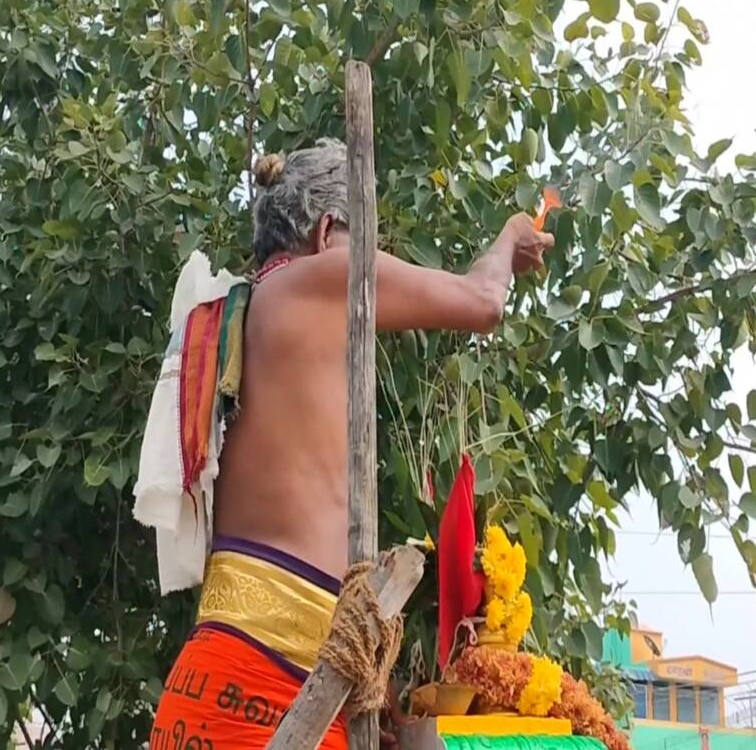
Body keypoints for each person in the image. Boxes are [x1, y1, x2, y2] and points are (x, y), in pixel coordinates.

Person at [148, 138, 554, 749]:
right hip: (270, 687)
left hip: (213, 682)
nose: (375, 261)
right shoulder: (328, 276)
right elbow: (483, 300)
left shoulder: (240, 313)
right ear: (328, 229)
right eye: (365, 243)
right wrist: (508, 239)